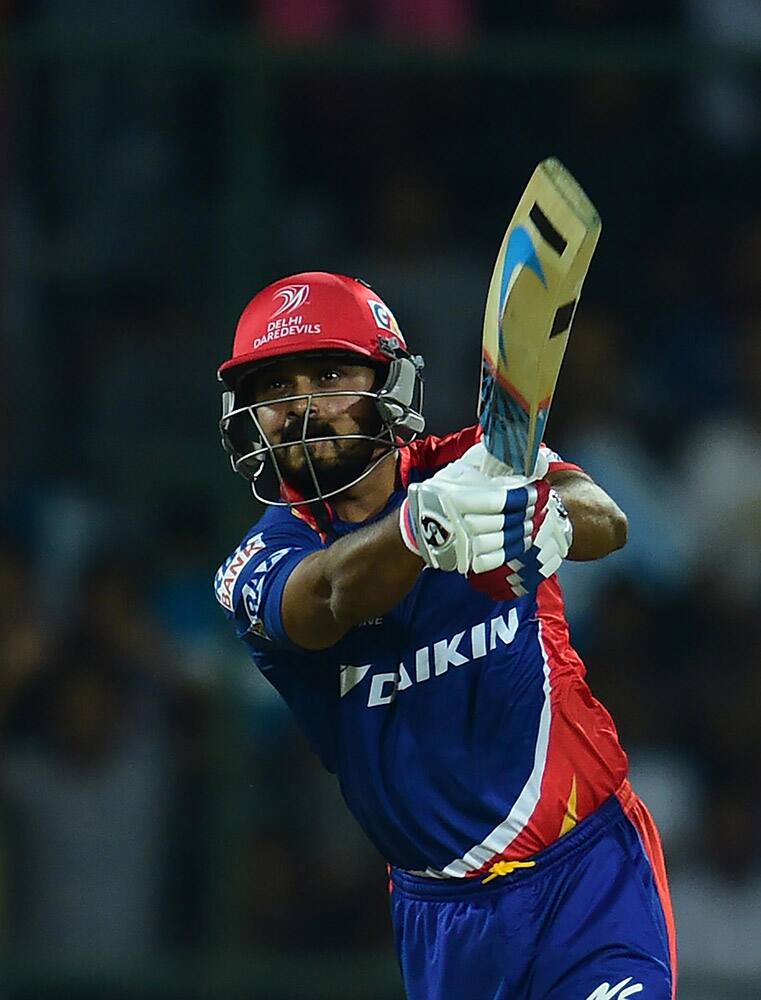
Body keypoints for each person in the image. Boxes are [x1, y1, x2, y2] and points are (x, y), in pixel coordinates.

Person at [214, 272, 676, 1000]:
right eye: (274, 388)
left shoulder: (477, 462)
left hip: (588, 872)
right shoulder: (256, 563)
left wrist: (547, 517)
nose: (300, 407)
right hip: (445, 924)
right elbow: (329, 593)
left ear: (387, 381)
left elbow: (605, 519)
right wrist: (422, 526)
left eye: (329, 374)